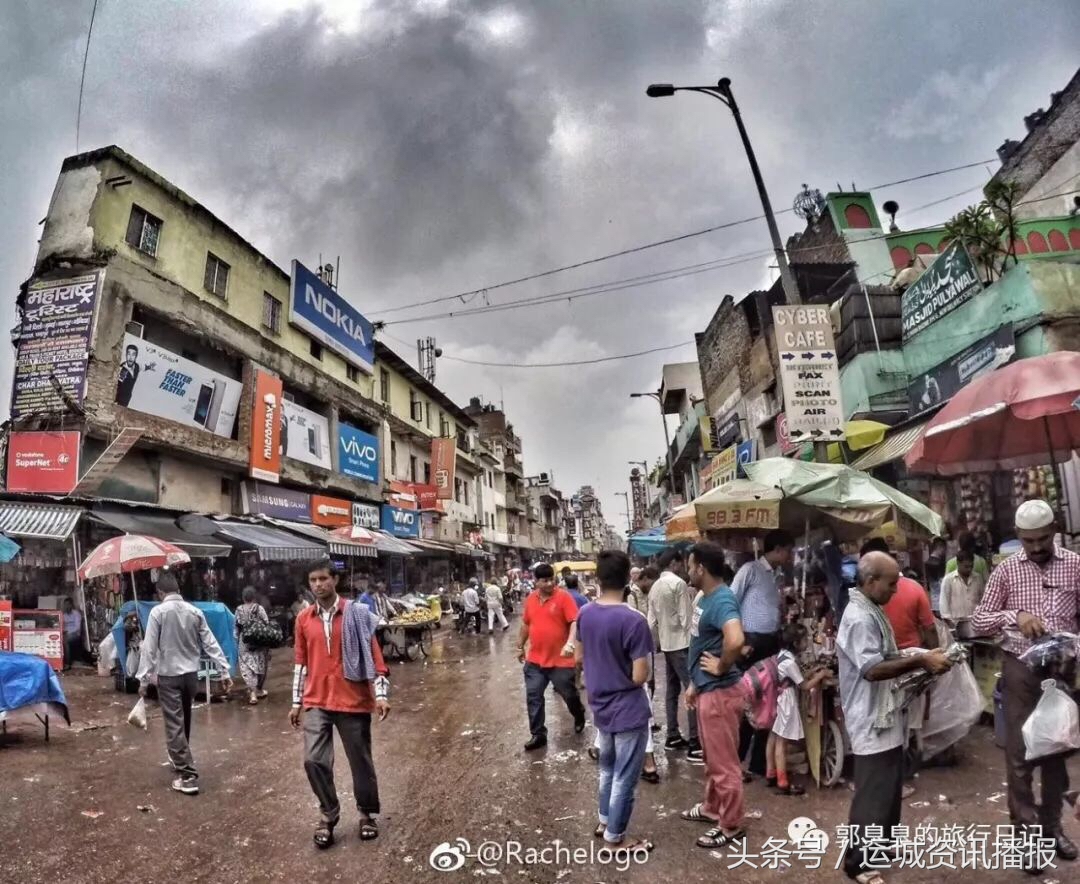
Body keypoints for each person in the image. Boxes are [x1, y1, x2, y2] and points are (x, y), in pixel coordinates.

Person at [972, 499, 1080, 868]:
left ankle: (1053, 829)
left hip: (1063, 673)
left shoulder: (1075, 566)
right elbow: (980, 619)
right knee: (1020, 758)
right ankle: (1027, 840)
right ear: (1018, 536)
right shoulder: (1006, 572)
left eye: (1043, 540)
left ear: (1055, 531)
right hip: (1021, 670)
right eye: (1029, 540)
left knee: (1056, 754)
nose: (1036, 547)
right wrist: (1016, 616)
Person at [838, 552, 953, 883]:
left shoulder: (873, 609)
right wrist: (919, 662)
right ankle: (857, 863)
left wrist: (916, 655)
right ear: (871, 581)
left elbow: (885, 655)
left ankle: (881, 843)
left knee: (889, 783)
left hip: (885, 712)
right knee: (873, 788)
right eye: (891, 584)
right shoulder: (859, 616)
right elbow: (872, 668)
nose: (895, 590)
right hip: (870, 714)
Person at [290, 559, 391, 849]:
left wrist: (381, 694)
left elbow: (375, 657)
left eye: (323, 578)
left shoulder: (357, 614)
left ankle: (366, 813)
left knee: (360, 761)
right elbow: (301, 662)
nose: (318, 585)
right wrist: (296, 702)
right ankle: (329, 813)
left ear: (335, 579)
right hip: (317, 699)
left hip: (353, 699)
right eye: (313, 580)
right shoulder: (303, 619)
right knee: (313, 759)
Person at [575, 550, 655, 853]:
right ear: (627, 580)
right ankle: (616, 838)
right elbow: (639, 676)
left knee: (607, 770)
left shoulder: (585, 614)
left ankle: (605, 820)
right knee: (624, 776)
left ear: (598, 578)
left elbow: (579, 658)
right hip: (628, 710)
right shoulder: (634, 620)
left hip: (600, 707)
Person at [136, 572, 233, 796]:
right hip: (191, 675)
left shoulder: (157, 612)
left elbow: (149, 649)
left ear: (160, 593)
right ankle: (180, 756)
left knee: (173, 723)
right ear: (178, 590)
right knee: (184, 718)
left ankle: (187, 775)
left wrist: (143, 678)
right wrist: (223, 670)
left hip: (169, 676)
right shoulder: (195, 611)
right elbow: (210, 642)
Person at [679, 542, 747, 849]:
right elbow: (704, 643)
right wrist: (696, 681)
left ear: (701, 568)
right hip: (708, 690)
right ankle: (711, 808)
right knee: (712, 759)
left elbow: (735, 640)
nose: (687, 570)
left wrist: (720, 666)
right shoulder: (705, 597)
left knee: (724, 764)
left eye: (689, 565)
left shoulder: (721, 599)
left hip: (720, 693)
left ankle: (731, 824)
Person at [730, 529, 794, 776]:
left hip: (770, 642)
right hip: (752, 642)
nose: (790, 556)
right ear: (777, 549)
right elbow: (731, 602)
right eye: (788, 550)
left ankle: (758, 763)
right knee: (750, 699)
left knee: (769, 701)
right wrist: (739, 640)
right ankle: (738, 760)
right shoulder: (751, 570)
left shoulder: (776, 576)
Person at [517, 562, 586, 750]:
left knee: (569, 694)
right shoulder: (530, 599)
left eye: (551, 580)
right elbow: (526, 624)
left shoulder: (563, 597)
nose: (549, 584)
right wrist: (519, 646)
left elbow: (574, 622)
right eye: (544, 580)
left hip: (560, 661)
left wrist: (570, 643)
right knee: (534, 696)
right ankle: (538, 734)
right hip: (535, 660)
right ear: (536, 582)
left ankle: (579, 713)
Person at [647, 549, 701, 762]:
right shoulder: (677, 584)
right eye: (681, 563)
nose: (683, 568)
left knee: (672, 690)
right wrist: (695, 645)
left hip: (667, 645)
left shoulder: (655, 587)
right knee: (692, 690)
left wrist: (655, 643)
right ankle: (695, 743)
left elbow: (651, 620)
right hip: (682, 644)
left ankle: (673, 735)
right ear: (674, 563)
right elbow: (686, 619)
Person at [766, 624, 829, 796]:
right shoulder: (790, 662)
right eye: (804, 639)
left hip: (776, 697)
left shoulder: (782, 656)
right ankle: (782, 781)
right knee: (782, 741)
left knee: (773, 736)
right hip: (785, 700)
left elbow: (796, 677)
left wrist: (811, 673)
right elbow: (804, 686)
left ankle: (770, 772)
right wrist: (820, 675)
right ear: (796, 643)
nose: (807, 642)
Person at [235, 586, 272, 706]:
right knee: (260, 665)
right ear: (254, 597)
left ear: (243, 597)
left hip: (244, 642)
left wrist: (237, 640)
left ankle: (252, 693)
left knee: (246, 667)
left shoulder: (239, 609)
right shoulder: (259, 608)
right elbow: (266, 624)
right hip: (259, 642)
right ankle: (259, 690)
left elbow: (236, 629)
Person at [939, 549, 986, 639]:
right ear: (958, 563)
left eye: (971, 566)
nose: (969, 569)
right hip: (956, 626)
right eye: (966, 566)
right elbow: (944, 604)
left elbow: (983, 600)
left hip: (976, 625)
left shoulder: (978, 578)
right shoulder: (948, 580)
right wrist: (951, 625)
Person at [61, 598, 83, 671]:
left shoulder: (76, 614)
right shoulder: (63, 615)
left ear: (71, 605)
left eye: (68, 604)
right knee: (60, 640)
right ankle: (61, 662)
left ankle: (68, 664)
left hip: (75, 634)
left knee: (66, 641)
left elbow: (77, 627)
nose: (66, 606)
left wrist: (67, 632)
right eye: (65, 605)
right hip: (66, 633)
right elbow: (62, 626)